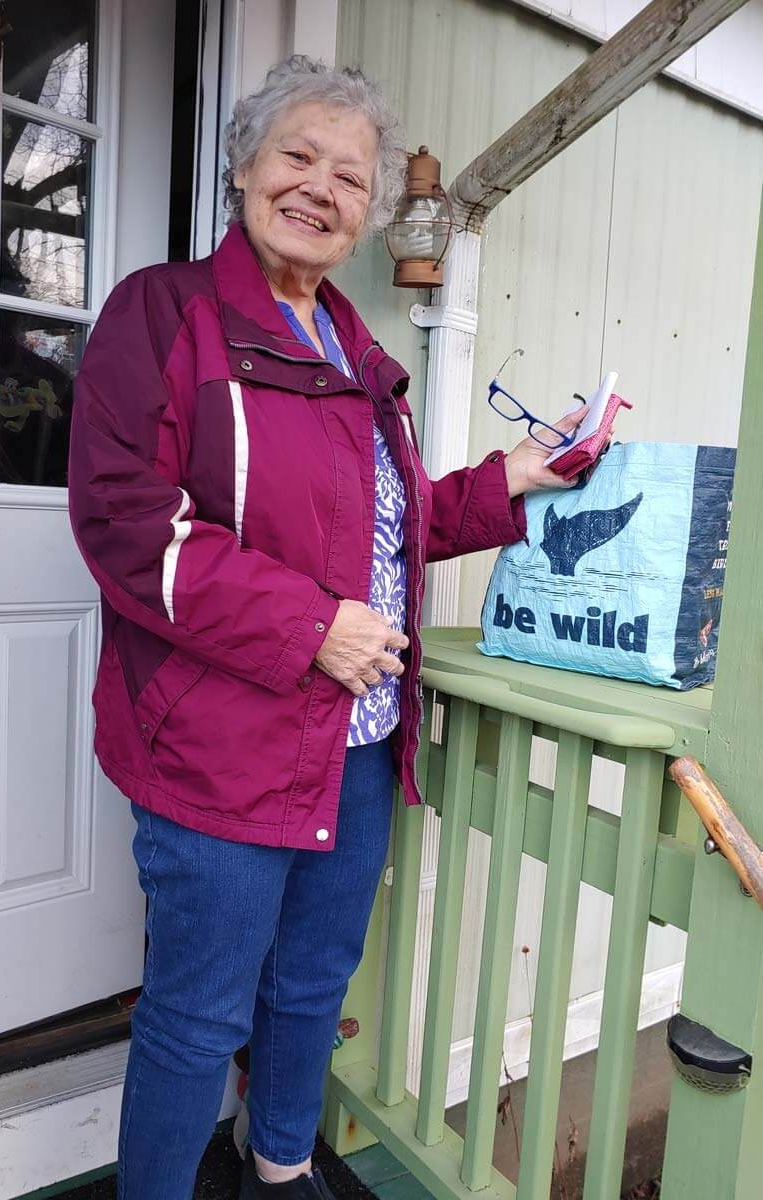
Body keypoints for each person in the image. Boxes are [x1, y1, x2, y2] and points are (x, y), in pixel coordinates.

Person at [67, 55, 583, 1200]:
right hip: (224, 745)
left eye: (351, 177)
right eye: (298, 155)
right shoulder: (166, 313)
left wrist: (507, 481)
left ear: (370, 212)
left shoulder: (356, 353)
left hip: (358, 744)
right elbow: (125, 521)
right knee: (199, 1014)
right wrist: (309, 628)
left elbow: (379, 533)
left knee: (309, 983)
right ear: (244, 165)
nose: (321, 187)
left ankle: (281, 1167)